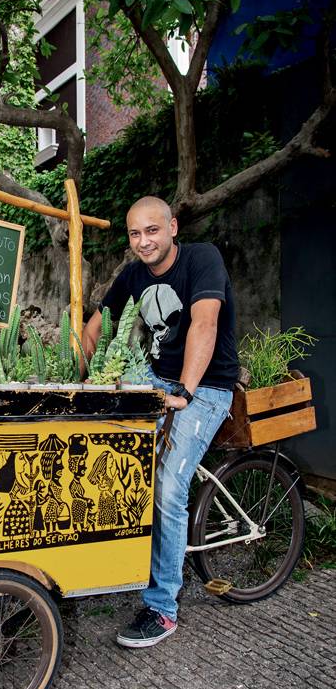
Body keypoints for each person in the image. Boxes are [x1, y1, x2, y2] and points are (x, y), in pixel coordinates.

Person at [82, 196, 239, 647]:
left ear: (171, 227)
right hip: (155, 378)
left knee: (168, 485)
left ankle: (162, 607)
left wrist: (185, 392)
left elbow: (204, 324)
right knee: (112, 460)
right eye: (135, 233)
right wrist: (83, 381)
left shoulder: (201, 258)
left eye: (152, 230)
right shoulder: (132, 274)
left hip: (206, 386)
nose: (143, 241)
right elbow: (97, 324)